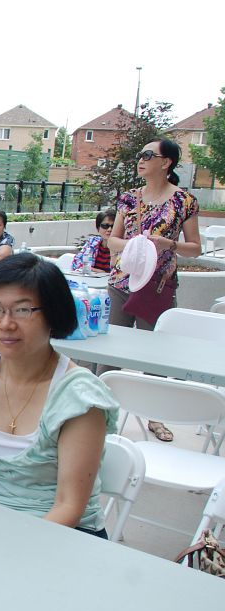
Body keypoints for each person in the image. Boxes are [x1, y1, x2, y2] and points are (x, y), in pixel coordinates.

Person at [0, 253, 119, 538]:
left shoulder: (78, 398)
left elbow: (69, 506)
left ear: (53, 314)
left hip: (60, 534)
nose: (5, 323)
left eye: (23, 310)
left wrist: (10, 550)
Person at [104, 138, 200, 443]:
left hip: (157, 287)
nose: (141, 160)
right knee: (109, 351)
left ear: (166, 162)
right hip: (122, 283)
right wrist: (136, 245)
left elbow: (195, 248)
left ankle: (155, 416)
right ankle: (98, 413)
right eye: (140, 155)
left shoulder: (184, 201)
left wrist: (169, 244)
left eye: (148, 155)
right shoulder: (129, 199)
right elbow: (112, 240)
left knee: (154, 356)